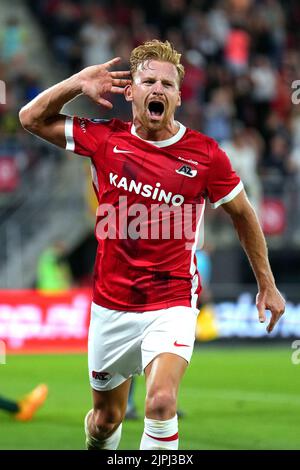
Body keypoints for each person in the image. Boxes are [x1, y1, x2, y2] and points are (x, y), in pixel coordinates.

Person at [19, 40, 285, 450]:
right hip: (112, 304)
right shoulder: (105, 139)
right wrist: (77, 82)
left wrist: (267, 283)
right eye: (148, 81)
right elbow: (30, 118)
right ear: (131, 91)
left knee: (160, 403)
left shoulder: (205, 155)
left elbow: (243, 213)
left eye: (167, 83)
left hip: (172, 300)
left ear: (178, 96)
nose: (158, 89)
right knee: (105, 421)